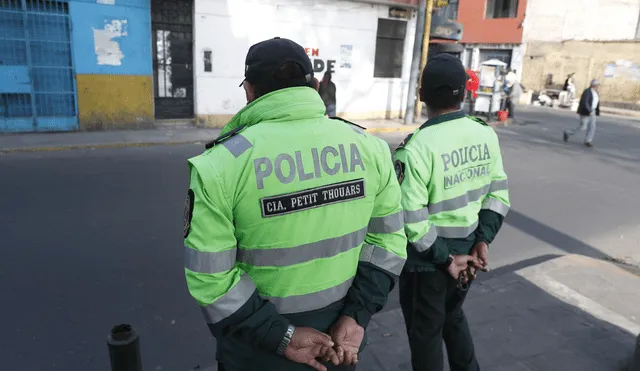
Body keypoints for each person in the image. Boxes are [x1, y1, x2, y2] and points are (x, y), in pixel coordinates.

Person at [183, 37, 407, 371]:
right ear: (314, 85)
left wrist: (282, 336)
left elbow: (210, 280)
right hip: (339, 345)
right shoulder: (370, 149)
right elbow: (389, 243)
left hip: (256, 354)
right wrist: (356, 315)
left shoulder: (219, 165)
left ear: (250, 91)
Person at [394, 54, 511, 371]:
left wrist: (445, 260)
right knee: (453, 316)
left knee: (426, 334)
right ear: (465, 93)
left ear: (421, 96)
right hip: (470, 257)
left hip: (430, 264)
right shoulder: (485, 133)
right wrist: (482, 241)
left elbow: (412, 219)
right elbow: (497, 195)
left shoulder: (416, 148)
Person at [563, 79, 600, 147]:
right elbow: (585, 102)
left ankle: (588, 141)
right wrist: (589, 111)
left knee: (592, 127)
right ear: (593, 85)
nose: (598, 86)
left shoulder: (596, 92)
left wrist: (595, 110)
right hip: (586, 111)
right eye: (597, 85)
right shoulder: (587, 91)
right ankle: (568, 133)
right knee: (583, 127)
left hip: (593, 110)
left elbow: (596, 101)